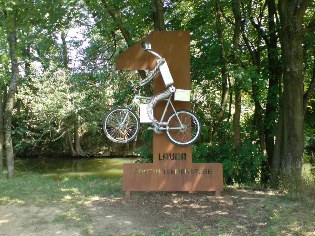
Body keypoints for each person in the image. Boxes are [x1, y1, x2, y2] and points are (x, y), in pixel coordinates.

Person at [138, 41, 176, 131]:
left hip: (169, 90)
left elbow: (150, 76)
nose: (148, 71)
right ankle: (155, 125)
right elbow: (149, 77)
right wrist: (140, 84)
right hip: (168, 89)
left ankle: (157, 123)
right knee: (150, 101)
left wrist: (149, 50)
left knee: (150, 103)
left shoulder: (161, 65)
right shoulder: (159, 68)